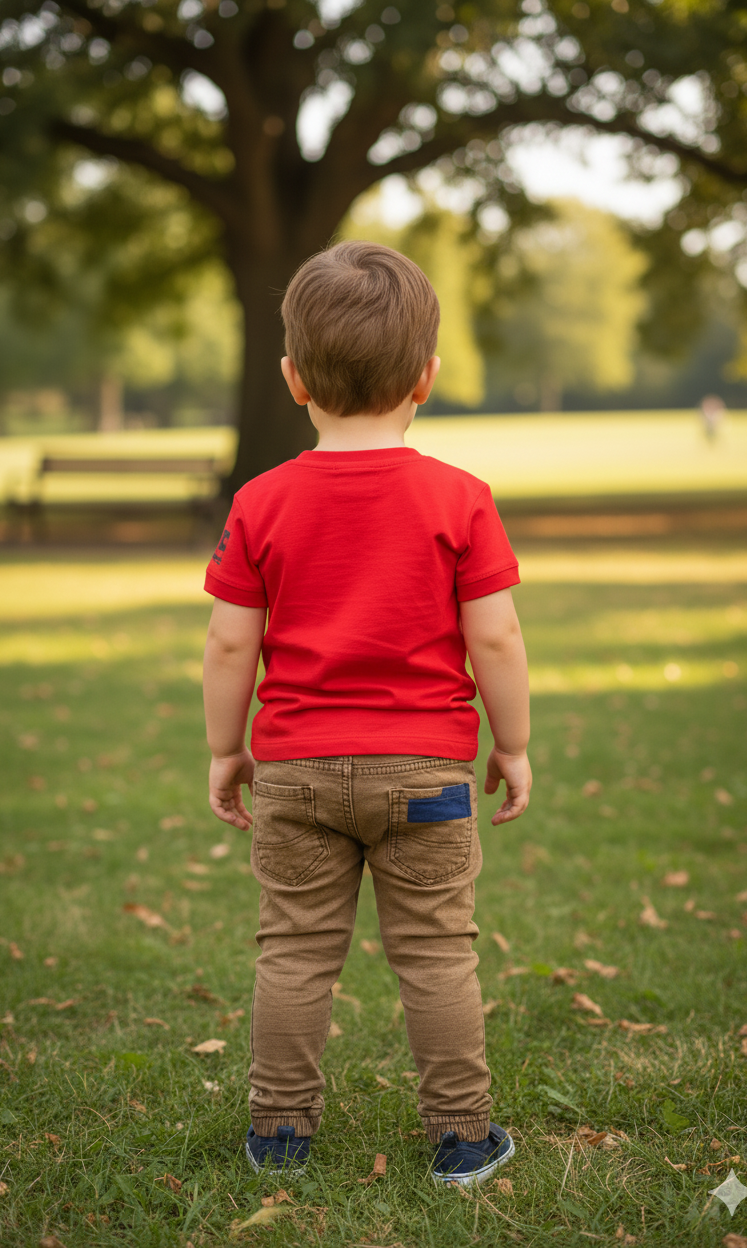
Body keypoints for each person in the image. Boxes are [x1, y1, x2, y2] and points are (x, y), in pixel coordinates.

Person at [202, 241, 532, 1187]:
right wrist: (511, 744)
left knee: (294, 952)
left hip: (296, 773)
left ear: (293, 379)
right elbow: (497, 637)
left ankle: (278, 1135)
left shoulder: (261, 502)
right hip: (427, 774)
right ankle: (463, 1137)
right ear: (427, 376)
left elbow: (229, 645)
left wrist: (226, 749)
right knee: (436, 954)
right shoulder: (461, 500)